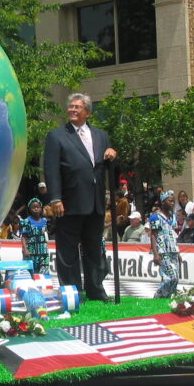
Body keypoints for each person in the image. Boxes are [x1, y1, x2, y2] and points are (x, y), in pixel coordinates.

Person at [43, 93, 118, 302]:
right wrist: (55, 198)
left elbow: (106, 167)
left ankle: (96, 290)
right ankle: (72, 293)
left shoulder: (101, 136)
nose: (72, 110)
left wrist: (112, 152)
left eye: (77, 107)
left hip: (95, 203)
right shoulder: (57, 136)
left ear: (87, 111)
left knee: (94, 248)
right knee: (67, 251)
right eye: (71, 107)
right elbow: (51, 170)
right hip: (69, 202)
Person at [147, 191, 180, 298]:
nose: (172, 203)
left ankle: (169, 297)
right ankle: (158, 296)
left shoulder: (173, 217)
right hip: (162, 251)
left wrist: (178, 252)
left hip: (173, 250)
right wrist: (155, 254)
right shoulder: (155, 217)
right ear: (163, 202)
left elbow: (173, 234)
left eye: (173, 201)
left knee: (176, 279)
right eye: (170, 201)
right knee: (170, 277)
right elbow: (153, 235)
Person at [20, 198, 49, 274]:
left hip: (43, 250)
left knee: (44, 271)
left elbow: (45, 234)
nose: (36, 209)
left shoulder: (45, 221)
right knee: (30, 272)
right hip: (31, 250)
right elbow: (23, 237)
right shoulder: (26, 221)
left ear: (41, 208)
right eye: (33, 207)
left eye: (38, 207)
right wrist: (25, 249)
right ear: (30, 209)